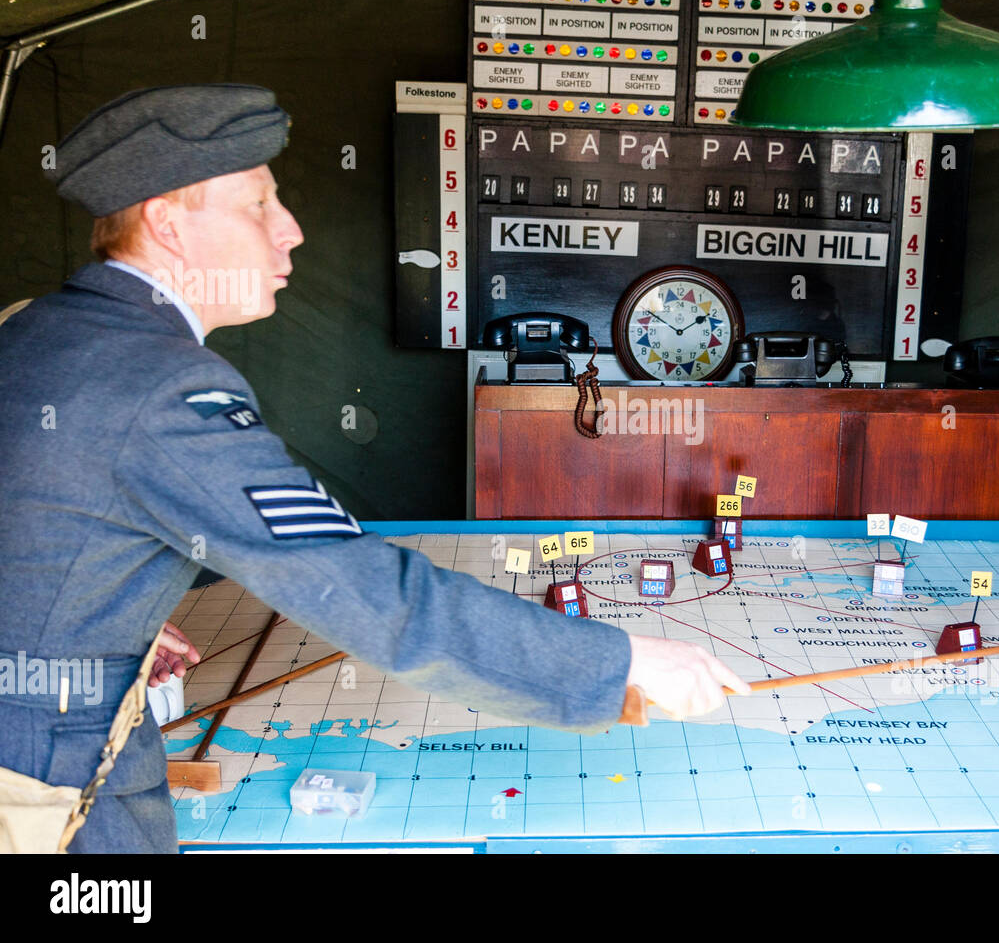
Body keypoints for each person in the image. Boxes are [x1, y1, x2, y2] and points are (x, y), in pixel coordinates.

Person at [0, 85, 748, 853]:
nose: (290, 231)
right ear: (167, 223)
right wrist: (620, 659)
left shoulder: (33, 330)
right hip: (46, 781)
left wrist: (93, 618)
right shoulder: (161, 385)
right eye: (258, 205)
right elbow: (364, 592)